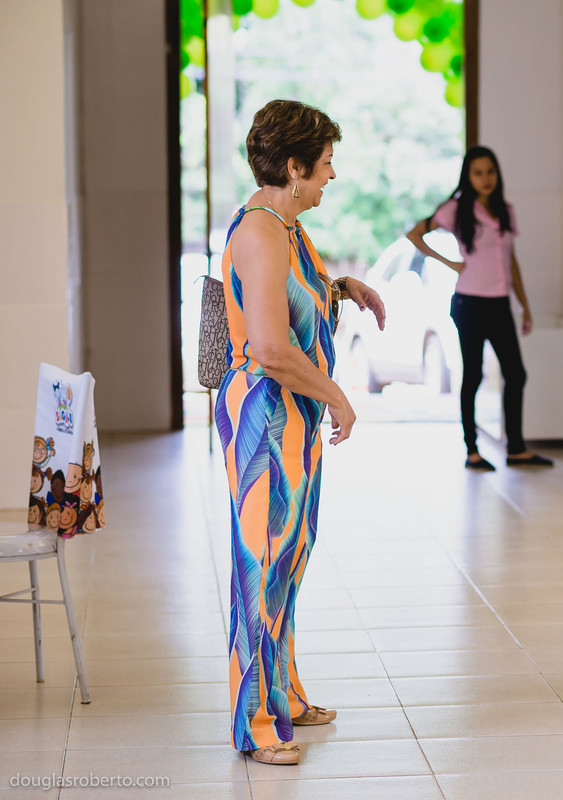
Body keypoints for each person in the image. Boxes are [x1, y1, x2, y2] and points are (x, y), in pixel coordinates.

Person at [216, 99, 385, 765]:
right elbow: (268, 347)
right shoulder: (260, 231)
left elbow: (292, 296)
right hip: (266, 416)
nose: (331, 177)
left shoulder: (287, 227)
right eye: (324, 166)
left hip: (294, 418)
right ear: (292, 168)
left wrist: (341, 287)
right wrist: (337, 395)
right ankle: (255, 724)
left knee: (290, 555)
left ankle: (281, 692)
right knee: (260, 565)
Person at [406, 145, 553, 471]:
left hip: (500, 303)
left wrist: (525, 306)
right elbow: (414, 234)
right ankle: (472, 450)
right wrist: (450, 263)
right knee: (473, 375)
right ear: (468, 177)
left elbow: (510, 261)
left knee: (516, 374)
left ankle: (516, 448)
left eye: (490, 172)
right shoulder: (456, 209)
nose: (485, 179)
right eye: (477, 173)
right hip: (469, 303)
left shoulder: (505, 210)